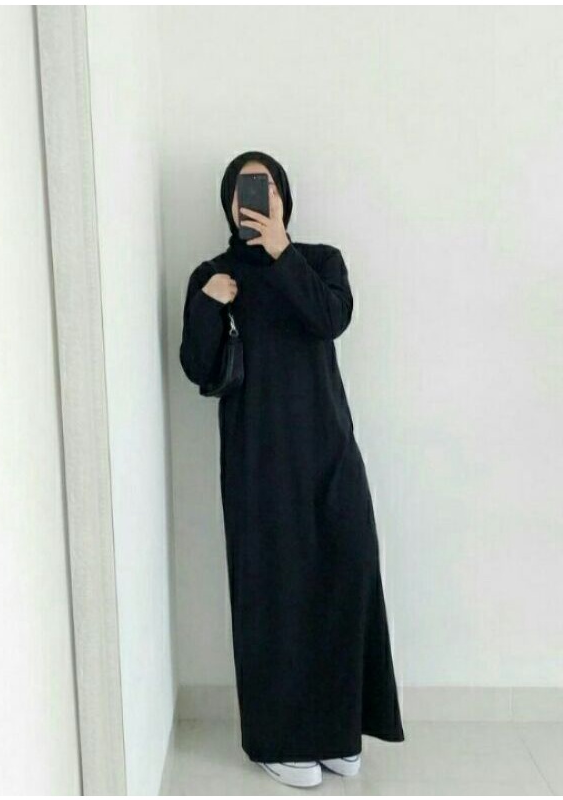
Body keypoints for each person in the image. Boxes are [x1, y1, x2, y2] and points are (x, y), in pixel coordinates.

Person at [179, 150, 405, 789]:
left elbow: (330, 319)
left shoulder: (319, 261)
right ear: (228, 201)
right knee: (274, 596)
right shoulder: (215, 273)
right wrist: (208, 304)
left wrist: (280, 251)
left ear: (283, 196)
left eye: (265, 186)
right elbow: (198, 367)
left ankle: (338, 733)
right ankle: (277, 740)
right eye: (242, 188)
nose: (253, 197)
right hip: (258, 461)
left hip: (329, 451)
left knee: (344, 581)